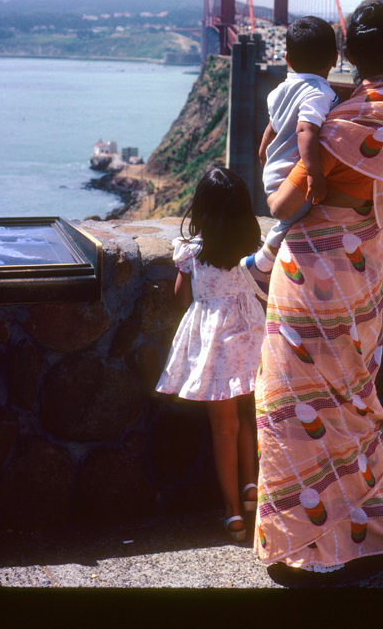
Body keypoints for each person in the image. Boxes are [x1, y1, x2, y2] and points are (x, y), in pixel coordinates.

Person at [253, 1, 383, 579]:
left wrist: (303, 187)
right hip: (362, 272)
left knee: (293, 405)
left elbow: (282, 204)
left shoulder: (332, 121)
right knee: (354, 399)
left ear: (348, 57)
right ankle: (376, 530)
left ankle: (307, 545)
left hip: (307, 275)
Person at [155, 167, 265, 543]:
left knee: (224, 427)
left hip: (215, 347)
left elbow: (182, 298)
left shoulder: (191, 251)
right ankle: (252, 487)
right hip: (250, 337)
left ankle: (233, 513)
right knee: (246, 412)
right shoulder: (249, 247)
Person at [241, 16, 338, 293]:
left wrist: (263, 159)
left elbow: (269, 132)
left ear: (287, 58)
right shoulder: (319, 92)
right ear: (334, 59)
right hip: (292, 180)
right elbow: (306, 129)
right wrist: (315, 175)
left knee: (292, 218)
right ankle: (259, 264)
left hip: (272, 172)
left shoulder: (278, 91)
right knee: (296, 219)